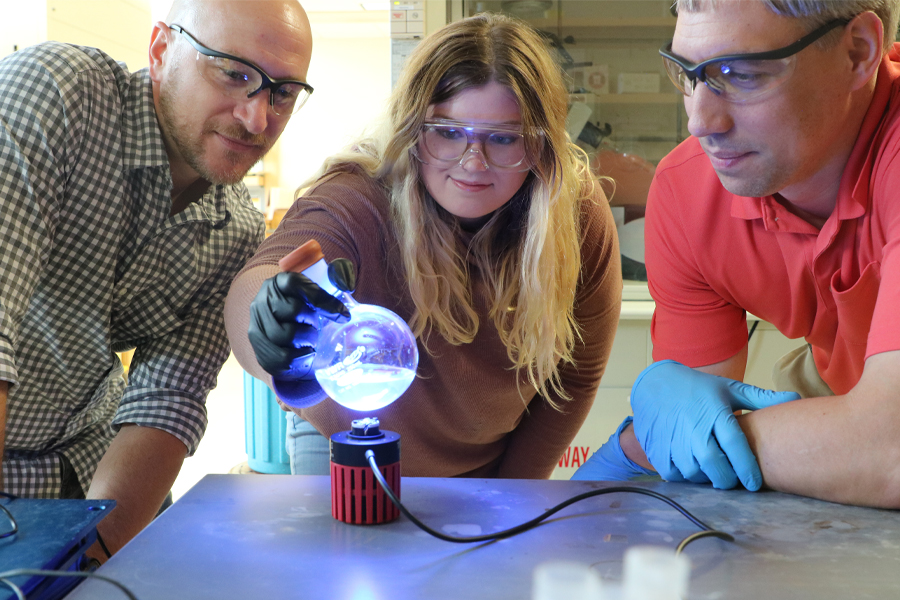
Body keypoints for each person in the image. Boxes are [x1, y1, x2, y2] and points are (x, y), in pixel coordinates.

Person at [224, 12, 622, 479]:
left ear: (542, 147)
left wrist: (512, 495)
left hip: (488, 460)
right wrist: (269, 324)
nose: (473, 163)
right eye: (448, 132)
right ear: (412, 129)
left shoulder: (572, 212)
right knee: (347, 553)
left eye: (503, 138)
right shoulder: (360, 198)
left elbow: (574, 378)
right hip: (345, 446)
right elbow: (259, 279)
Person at [0, 0, 314, 560]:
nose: (257, 118)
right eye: (235, 74)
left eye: (282, 92)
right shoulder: (58, 96)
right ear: (162, 49)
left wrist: (85, 564)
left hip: (91, 476)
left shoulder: (236, 230)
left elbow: (166, 401)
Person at [574, 0, 900, 509]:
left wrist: (712, 441)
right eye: (687, 74)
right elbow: (685, 421)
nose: (700, 122)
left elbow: (890, 452)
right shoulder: (689, 193)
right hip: (851, 389)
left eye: (741, 74)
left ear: (858, 52)